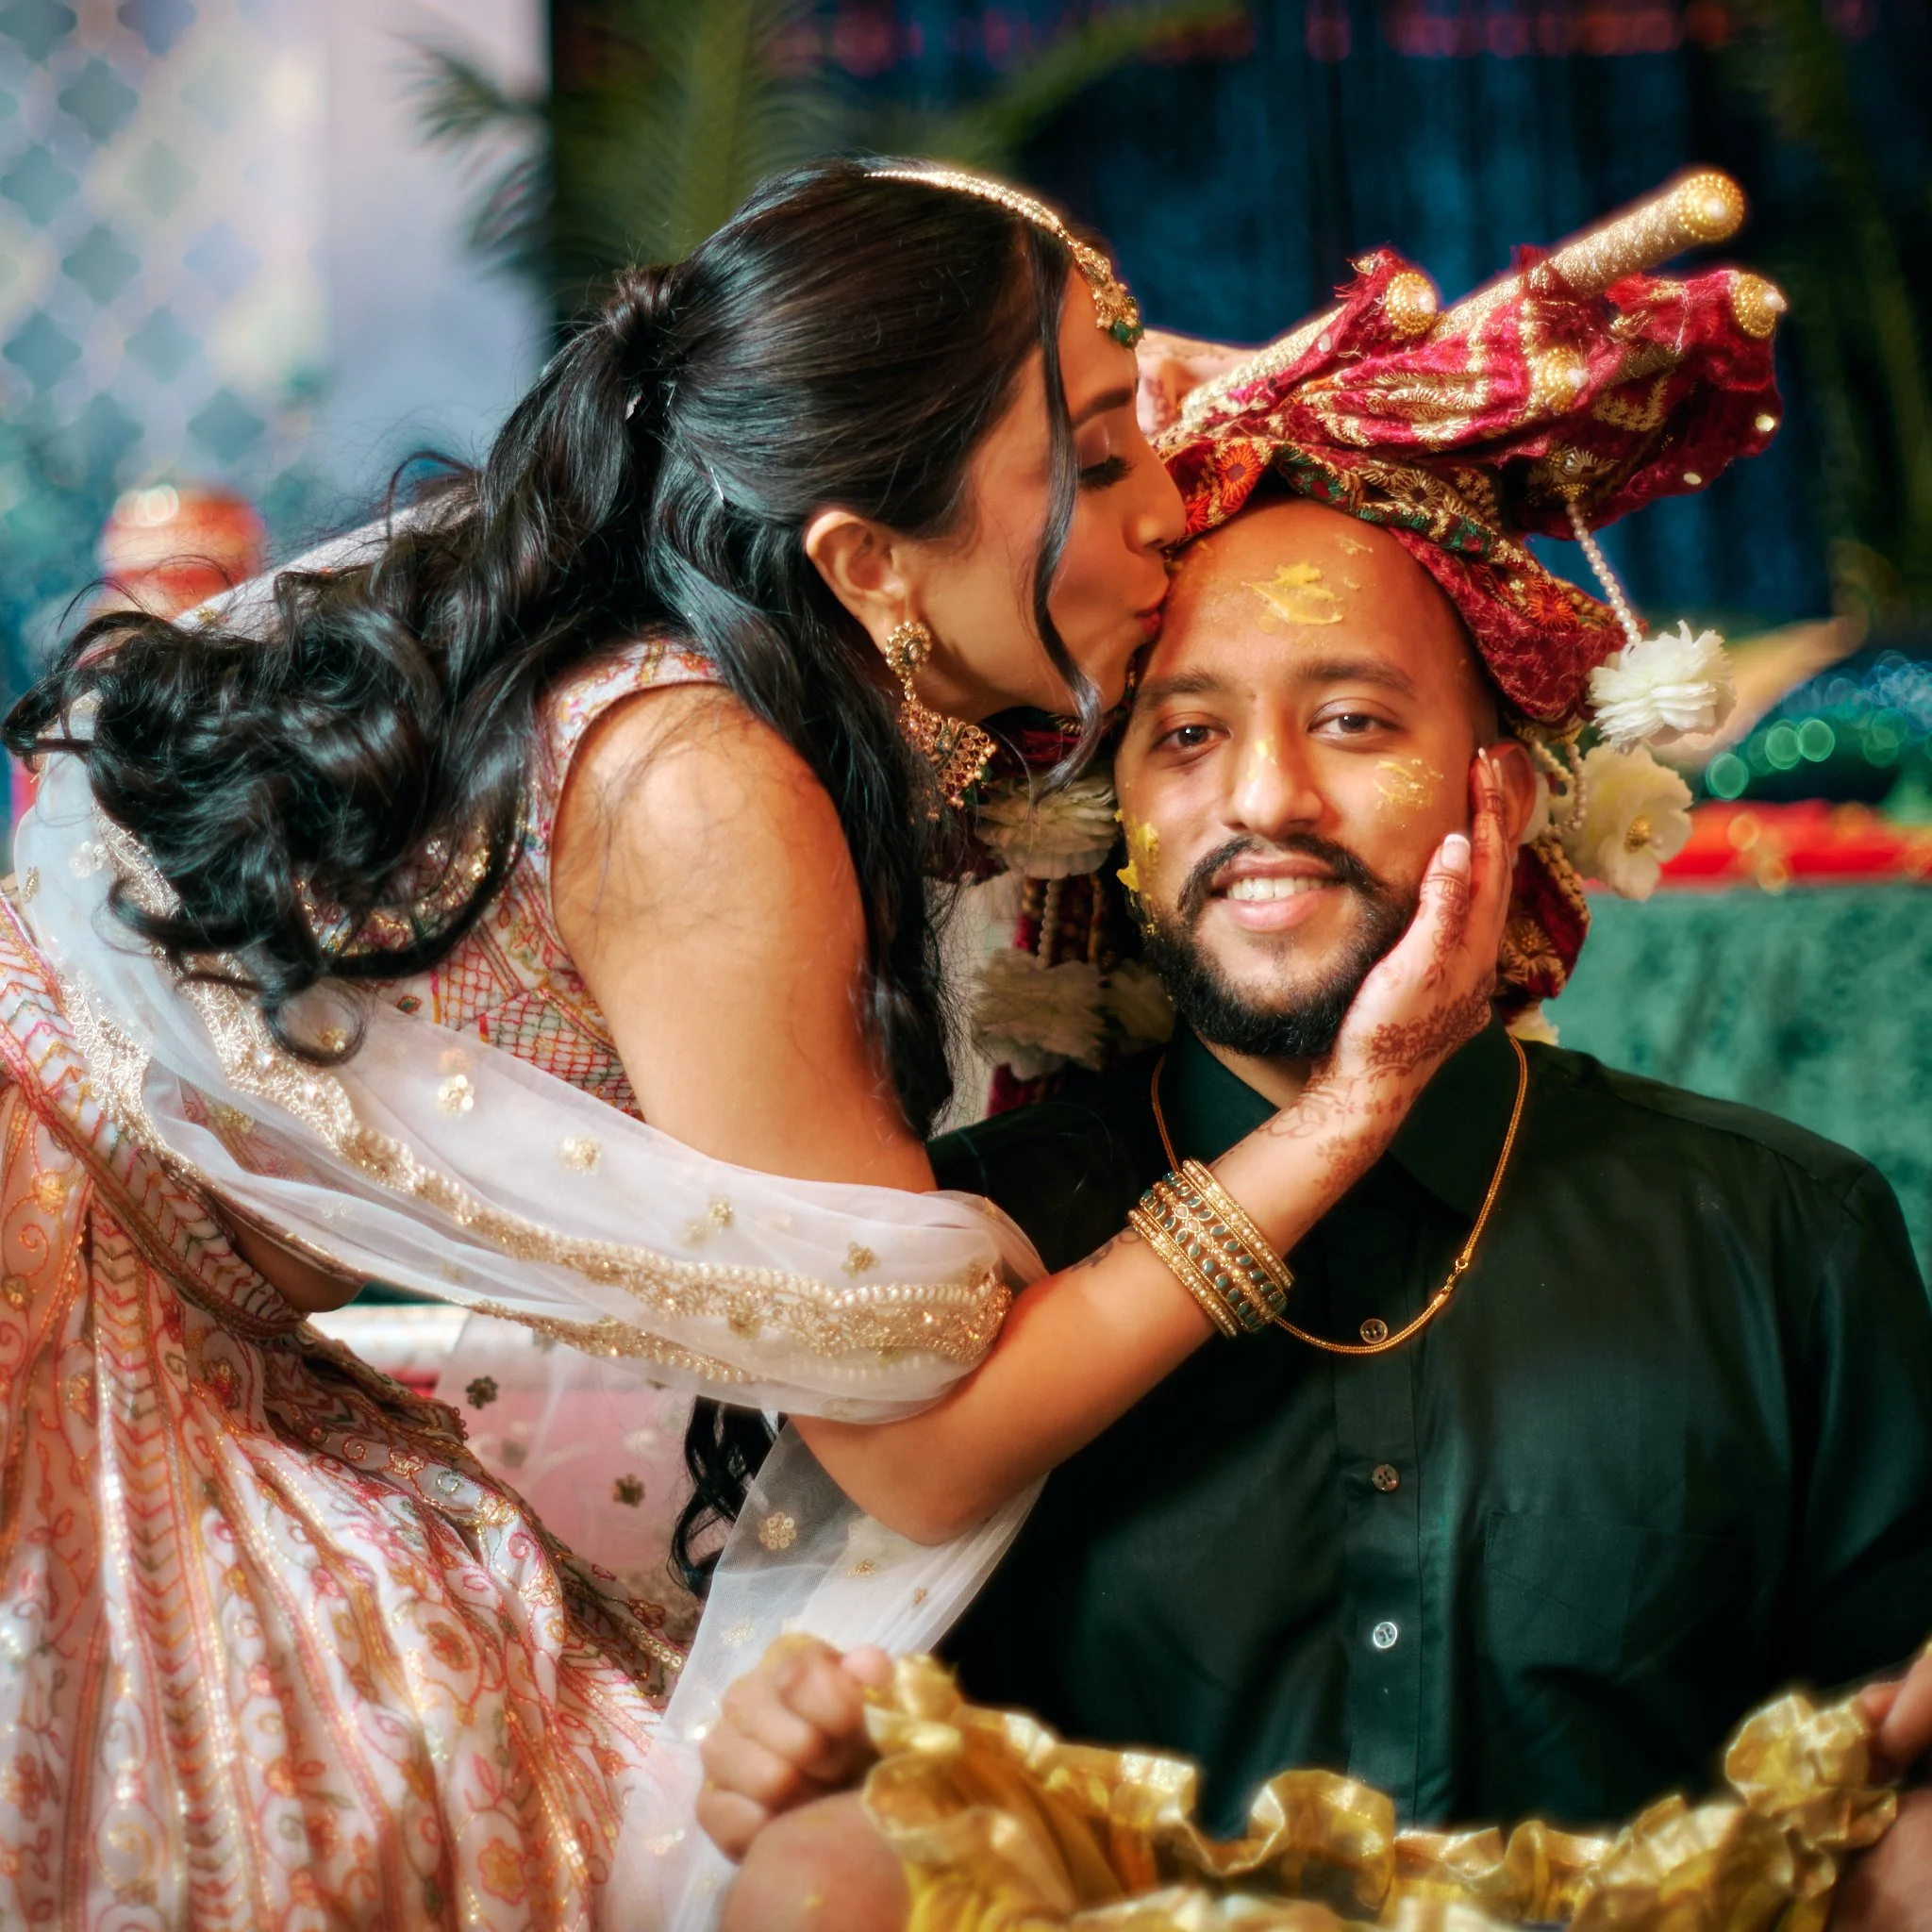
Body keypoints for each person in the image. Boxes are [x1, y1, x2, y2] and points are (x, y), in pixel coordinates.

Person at [0, 160, 1503, 1926]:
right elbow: (919, 1447)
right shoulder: (706, 787)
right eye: (1096, 465)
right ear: (867, 563)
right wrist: (1350, 1109)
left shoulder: (700, 660)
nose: (1167, 508)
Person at [702, 190, 1932, 1930]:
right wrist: (793, 1740)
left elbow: (1891, 1735)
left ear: (1508, 786)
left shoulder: (1778, 1234)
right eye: (1186, 735)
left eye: (1354, 721)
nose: (1264, 800)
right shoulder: (970, 1257)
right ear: (1104, 813)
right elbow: (828, 1684)